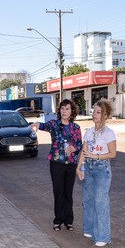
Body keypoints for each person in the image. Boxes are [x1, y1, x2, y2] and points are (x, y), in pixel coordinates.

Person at [31, 99, 83, 231]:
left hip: (71, 163)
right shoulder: (54, 124)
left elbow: (79, 144)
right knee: (58, 191)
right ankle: (58, 220)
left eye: (67, 109)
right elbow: (44, 125)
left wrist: (74, 148)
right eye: (62, 108)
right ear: (59, 110)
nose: (64, 111)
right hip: (56, 163)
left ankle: (68, 220)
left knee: (68, 193)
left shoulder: (76, 127)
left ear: (72, 112)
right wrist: (37, 123)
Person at [76, 99, 117, 246]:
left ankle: (103, 236)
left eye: (98, 112)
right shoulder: (89, 132)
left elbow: (113, 154)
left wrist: (96, 156)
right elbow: (84, 151)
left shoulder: (109, 133)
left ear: (105, 115)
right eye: (94, 111)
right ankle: (89, 229)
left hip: (101, 168)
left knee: (100, 201)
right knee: (87, 200)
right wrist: (78, 167)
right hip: (89, 167)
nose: (95, 114)